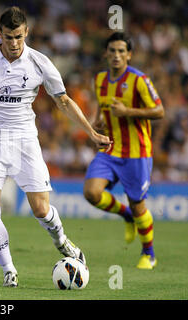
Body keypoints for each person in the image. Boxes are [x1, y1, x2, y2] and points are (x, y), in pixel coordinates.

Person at [0, 6, 111, 287]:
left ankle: (62, 240)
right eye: (8, 37)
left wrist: (91, 132)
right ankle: (9, 271)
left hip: (24, 140)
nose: (14, 43)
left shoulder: (40, 63)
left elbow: (63, 101)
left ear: (27, 32)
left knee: (41, 209)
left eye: (19, 36)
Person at [83, 32, 164, 270]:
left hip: (137, 153)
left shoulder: (140, 80)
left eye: (121, 51)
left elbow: (159, 111)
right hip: (110, 149)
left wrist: (128, 112)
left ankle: (149, 253)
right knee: (91, 193)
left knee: (139, 205)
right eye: (112, 51)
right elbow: (102, 107)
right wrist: (98, 123)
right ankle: (126, 214)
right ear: (106, 54)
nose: (116, 55)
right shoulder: (99, 80)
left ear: (129, 54)